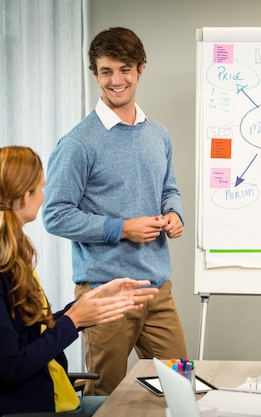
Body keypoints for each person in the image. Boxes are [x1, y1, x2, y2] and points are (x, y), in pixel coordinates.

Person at [0, 146, 158, 417]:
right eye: (41, 189)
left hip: (53, 400)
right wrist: (74, 321)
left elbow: (30, 333)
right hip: (35, 408)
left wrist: (88, 304)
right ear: (25, 197)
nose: (43, 197)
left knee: (151, 406)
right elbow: (13, 367)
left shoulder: (1, 254)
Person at [42, 27, 187, 396]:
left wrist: (174, 213)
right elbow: (55, 214)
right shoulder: (78, 143)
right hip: (105, 294)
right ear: (95, 73)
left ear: (140, 69)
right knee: (104, 396)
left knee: (180, 390)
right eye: (106, 71)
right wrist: (122, 228)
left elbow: (168, 188)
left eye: (124, 69)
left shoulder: (159, 134)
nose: (116, 80)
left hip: (157, 289)